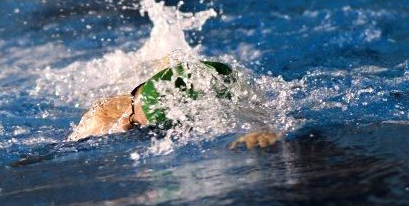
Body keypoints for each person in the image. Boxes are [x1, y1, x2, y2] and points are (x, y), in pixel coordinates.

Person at [68, 60, 279, 149]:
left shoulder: (216, 90)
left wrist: (261, 128)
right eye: (132, 120)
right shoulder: (100, 119)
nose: (124, 126)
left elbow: (252, 112)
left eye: (135, 123)